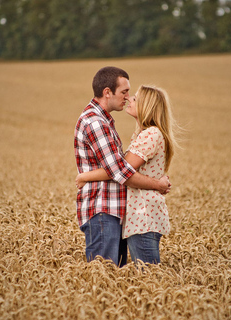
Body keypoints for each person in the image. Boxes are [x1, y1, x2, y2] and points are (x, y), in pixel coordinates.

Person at [74, 67, 171, 267]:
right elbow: (120, 171)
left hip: (115, 212)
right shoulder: (96, 122)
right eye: (124, 92)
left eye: (131, 95)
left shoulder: (106, 121)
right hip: (103, 210)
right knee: (105, 277)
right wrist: (157, 184)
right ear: (107, 92)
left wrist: (86, 176)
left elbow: (119, 167)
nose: (127, 98)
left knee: (114, 278)